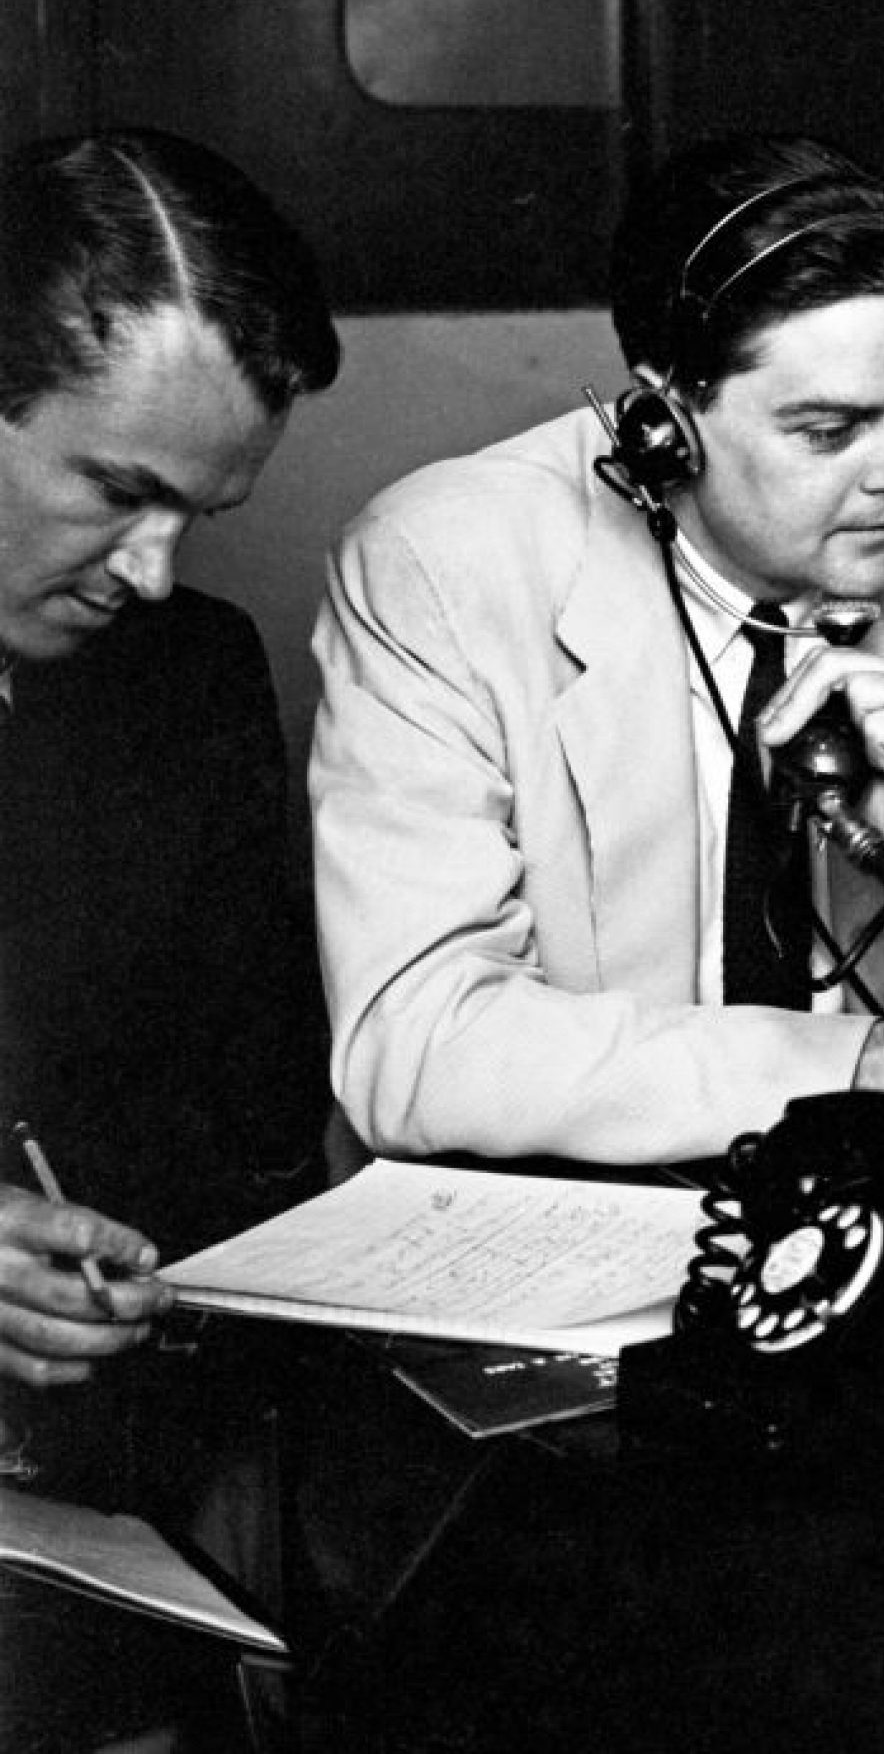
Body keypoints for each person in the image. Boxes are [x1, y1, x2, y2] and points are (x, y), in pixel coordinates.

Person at [311, 133, 884, 1166]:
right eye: (830, 430)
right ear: (664, 421)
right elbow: (417, 1044)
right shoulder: (440, 564)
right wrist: (867, 1064)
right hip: (568, 1219)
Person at [0, 126, 339, 1747]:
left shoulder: (194, 678)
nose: (155, 570)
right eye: (120, 491)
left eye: (200, 512)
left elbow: (253, 1121)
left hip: (118, 1525)